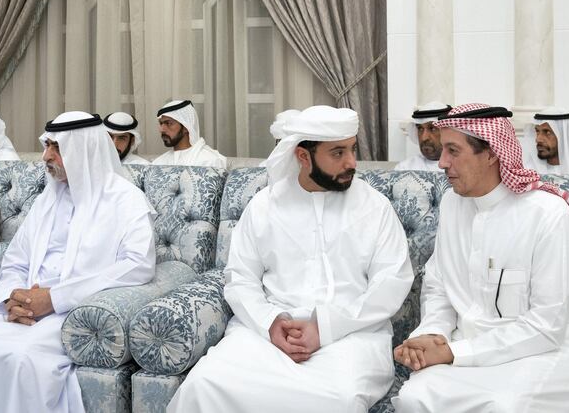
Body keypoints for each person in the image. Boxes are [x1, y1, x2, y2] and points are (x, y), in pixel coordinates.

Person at [168, 105, 414, 412]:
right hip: (268, 333)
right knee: (204, 383)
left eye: (352, 149)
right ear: (303, 156)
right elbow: (240, 278)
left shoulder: (374, 207)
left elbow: (392, 282)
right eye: (337, 153)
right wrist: (270, 323)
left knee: (338, 399)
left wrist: (324, 326)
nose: (351, 162)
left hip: (351, 335)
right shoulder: (264, 206)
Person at [0, 111, 156, 413]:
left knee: (20, 359)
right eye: (46, 145)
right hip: (21, 309)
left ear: (83, 148)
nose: (45, 156)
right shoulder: (48, 197)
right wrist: (11, 298)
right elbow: (16, 260)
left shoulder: (126, 199)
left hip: (73, 315)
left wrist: (54, 299)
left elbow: (138, 265)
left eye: (56, 147)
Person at [393, 104, 569, 412]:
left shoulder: (548, 214)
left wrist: (454, 353)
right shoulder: (454, 204)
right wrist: (432, 335)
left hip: (542, 352)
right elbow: (440, 288)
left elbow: (546, 327)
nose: (441, 163)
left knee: (502, 406)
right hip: (463, 346)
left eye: (453, 150)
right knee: (414, 400)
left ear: (492, 153)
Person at [152, 100, 226, 169]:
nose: (161, 130)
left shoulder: (209, 161)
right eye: (161, 124)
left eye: (169, 123)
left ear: (186, 127)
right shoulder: (158, 163)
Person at [394, 102, 451, 171]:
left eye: (432, 128)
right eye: (420, 129)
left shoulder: (462, 166)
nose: (424, 138)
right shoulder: (405, 169)